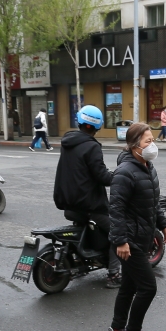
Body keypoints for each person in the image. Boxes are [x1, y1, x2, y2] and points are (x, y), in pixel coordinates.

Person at [106, 122, 166, 331]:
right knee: (148, 287)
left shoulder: (148, 167)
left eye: (152, 140)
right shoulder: (125, 172)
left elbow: (152, 202)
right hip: (129, 242)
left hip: (142, 238)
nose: (152, 145)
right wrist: (121, 241)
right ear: (134, 146)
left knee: (129, 285)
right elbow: (116, 209)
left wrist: (163, 225)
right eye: (147, 141)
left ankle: (116, 328)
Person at [54, 104, 120, 287]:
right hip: (88, 205)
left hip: (69, 204)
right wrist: (118, 177)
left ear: (80, 121)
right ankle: (114, 275)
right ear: (97, 126)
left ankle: (82, 259)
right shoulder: (92, 147)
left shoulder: (68, 142)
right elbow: (101, 176)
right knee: (118, 231)